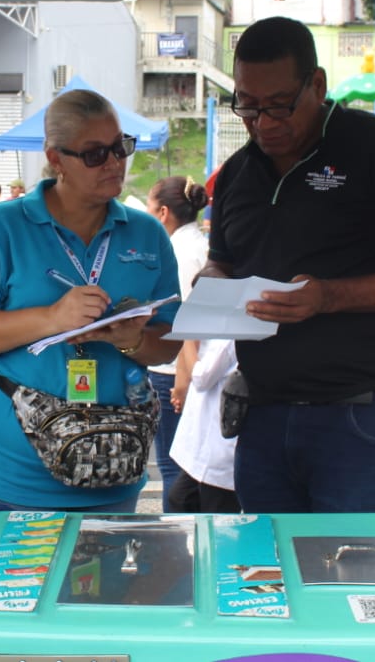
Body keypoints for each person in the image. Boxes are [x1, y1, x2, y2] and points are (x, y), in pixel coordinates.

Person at [202, 16, 375, 514]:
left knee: (356, 558)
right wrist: (211, 285)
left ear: (317, 85)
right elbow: (222, 263)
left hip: (363, 413)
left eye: (280, 105)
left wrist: (329, 297)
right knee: (268, 560)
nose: (264, 122)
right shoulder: (237, 172)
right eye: (248, 106)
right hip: (262, 413)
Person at [0, 88, 182, 512]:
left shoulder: (147, 234)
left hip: (114, 467)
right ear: (56, 159)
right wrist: (52, 318)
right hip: (13, 478)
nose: (114, 163)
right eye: (95, 154)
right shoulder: (1, 226)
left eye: (121, 147)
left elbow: (170, 341)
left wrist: (131, 342)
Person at [144, 175, 209, 510]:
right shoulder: (201, 245)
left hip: (175, 370)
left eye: (150, 208)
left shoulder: (179, 253)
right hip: (199, 367)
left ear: (164, 212)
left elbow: (184, 321)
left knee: (173, 466)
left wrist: (182, 380)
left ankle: (179, 530)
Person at [167, 338, 241, 513]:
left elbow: (202, 376)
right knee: (180, 500)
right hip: (201, 443)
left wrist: (188, 339)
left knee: (216, 511)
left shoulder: (230, 338)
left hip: (219, 446)